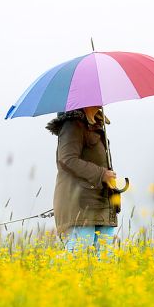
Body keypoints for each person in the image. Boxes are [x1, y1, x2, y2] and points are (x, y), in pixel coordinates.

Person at [46, 106, 118, 254]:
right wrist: (102, 174)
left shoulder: (96, 123)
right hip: (79, 203)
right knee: (78, 258)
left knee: (106, 259)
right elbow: (67, 159)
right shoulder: (72, 125)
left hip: (101, 201)